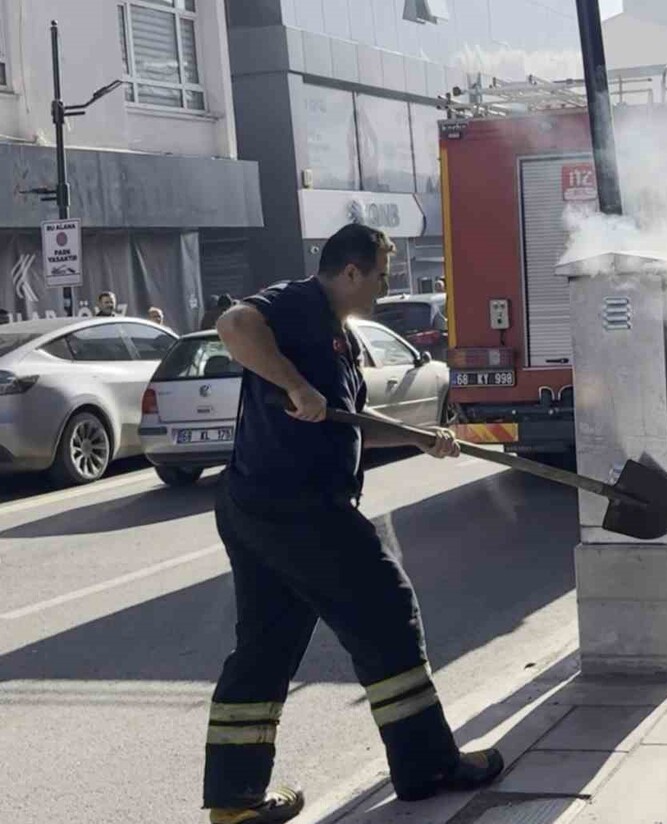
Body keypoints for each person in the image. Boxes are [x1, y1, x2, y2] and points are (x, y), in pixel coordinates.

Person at [205, 224, 503, 824]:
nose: (384, 287)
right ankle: (427, 765)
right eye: (381, 276)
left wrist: (421, 438)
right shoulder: (298, 303)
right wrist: (294, 384)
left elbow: (346, 417)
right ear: (349, 272)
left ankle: (234, 804)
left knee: (265, 647)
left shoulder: (338, 337)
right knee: (387, 610)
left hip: (258, 505)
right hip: (298, 509)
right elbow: (233, 327)